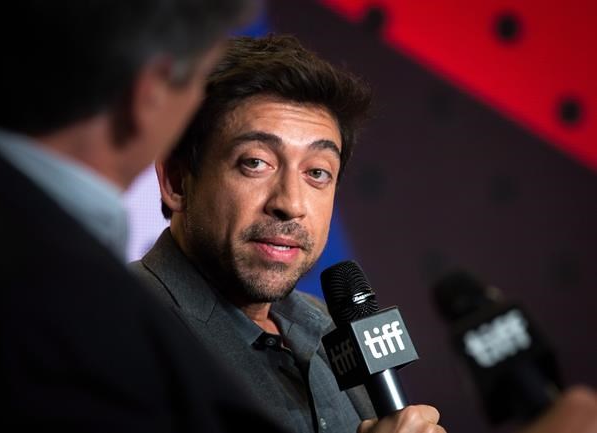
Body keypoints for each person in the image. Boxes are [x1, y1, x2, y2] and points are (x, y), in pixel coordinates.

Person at [0, 1, 288, 432]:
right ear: (150, 94)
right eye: (199, 83)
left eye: (318, 173)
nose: (289, 202)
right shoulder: (85, 343)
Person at [131, 34, 446, 433]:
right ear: (177, 181)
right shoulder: (113, 325)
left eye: (317, 172)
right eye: (256, 162)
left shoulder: (327, 324)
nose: (291, 203)